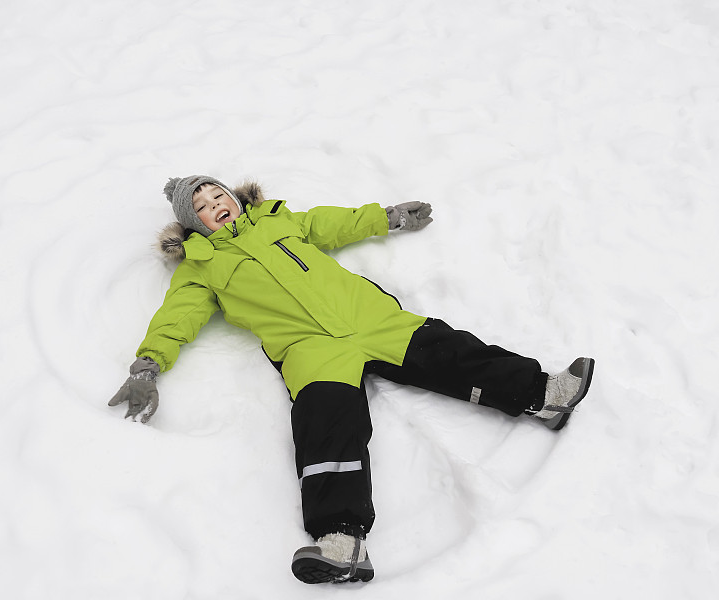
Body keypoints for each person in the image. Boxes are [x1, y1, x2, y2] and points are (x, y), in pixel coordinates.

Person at [108, 175, 595, 585]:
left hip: (368, 318)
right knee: (326, 429)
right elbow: (177, 318)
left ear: (235, 199)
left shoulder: (281, 220)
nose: (217, 206)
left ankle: (545, 395)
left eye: (219, 197)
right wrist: (148, 366)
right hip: (308, 348)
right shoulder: (201, 269)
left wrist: (387, 216)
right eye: (204, 207)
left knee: (452, 353)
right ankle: (340, 543)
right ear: (194, 224)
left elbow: (334, 224)